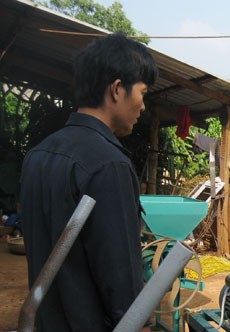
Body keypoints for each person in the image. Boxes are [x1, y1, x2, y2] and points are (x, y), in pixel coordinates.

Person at [19, 32, 157, 331]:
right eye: (143, 93)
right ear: (118, 89)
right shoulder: (109, 164)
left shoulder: (37, 155)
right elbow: (122, 284)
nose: (143, 107)